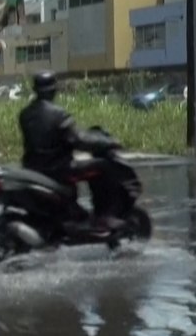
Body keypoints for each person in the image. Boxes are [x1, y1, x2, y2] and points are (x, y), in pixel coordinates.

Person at [18, 71, 122, 232]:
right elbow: (78, 140)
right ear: (53, 90)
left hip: (33, 168)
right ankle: (104, 216)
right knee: (103, 167)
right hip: (59, 170)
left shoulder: (25, 115)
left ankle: (78, 211)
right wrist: (108, 143)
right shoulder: (59, 114)